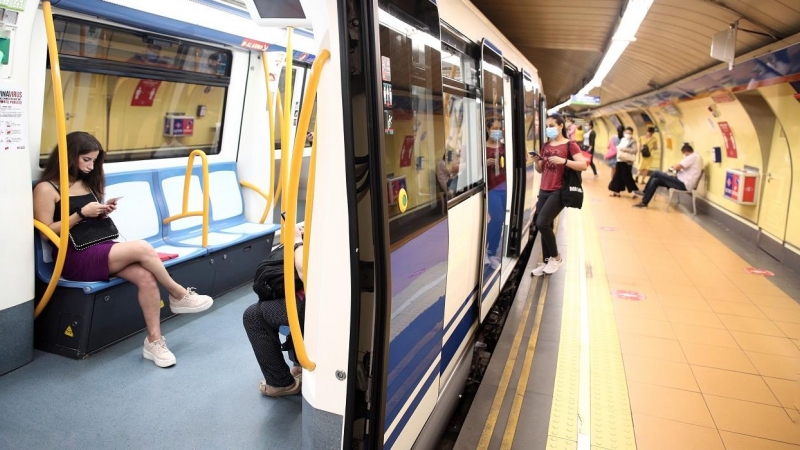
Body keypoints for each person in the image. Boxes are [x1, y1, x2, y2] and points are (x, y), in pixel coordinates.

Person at [32, 131, 213, 368]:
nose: (91, 165)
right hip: (74, 257)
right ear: (70, 156)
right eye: (86, 159)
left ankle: (154, 341)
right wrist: (80, 214)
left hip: (100, 248)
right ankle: (178, 293)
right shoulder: (47, 188)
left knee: (146, 277)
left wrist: (102, 210)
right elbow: (45, 230)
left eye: (94, 160)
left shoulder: (86, 183)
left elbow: (89, 218)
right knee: (142, 247)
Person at [242, 225, 306, 397]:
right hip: (311, 299)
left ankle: (280, 384)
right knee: (280, 299)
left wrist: (297, 242)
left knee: (254, 316)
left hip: (314, 304)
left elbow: (305, 272)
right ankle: (300, 364)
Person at [530, 114, 588, 276]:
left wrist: (564, 161)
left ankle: (556, 257)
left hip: (559, 190)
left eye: (551, 125)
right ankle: (547, 261)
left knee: (542, 223)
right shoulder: (546, 145)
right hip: (544, 189)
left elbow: (583, 165)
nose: (548, 128)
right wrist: (537, 161)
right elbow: (541, 169)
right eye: (547, 126)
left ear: (561, 126)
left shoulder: (571, 145)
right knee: (544, 225)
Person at [634, 143, 703, 208]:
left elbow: (676, 167)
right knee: (655, 180)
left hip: (683, 184)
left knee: (656, 172)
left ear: (686, 152)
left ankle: (644, 192)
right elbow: (682, 167)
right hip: (681, 181)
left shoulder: (692, 157)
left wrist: (675, 166)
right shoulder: (697, 157)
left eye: (684, 154)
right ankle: (644, 202)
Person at [485, 118, 507, 269]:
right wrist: (484, 164)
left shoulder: (505, 147)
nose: (498, 131)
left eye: (500, 128)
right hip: (491, 189)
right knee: (496, 218)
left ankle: (492, 252)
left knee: (499, 221)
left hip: (506, 189)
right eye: (495, 128)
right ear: (488, 129)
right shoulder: (481, 148)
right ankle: (487, 249)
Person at [608, 126, 639, 198]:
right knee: (617, 176)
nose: (628, 134)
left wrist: (626, 149)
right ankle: (616, 192)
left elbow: (635, 150)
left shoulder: (633, 141)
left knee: (627, 177)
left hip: (627, 162)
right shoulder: (622, 139)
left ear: (632, 134)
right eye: (627, 132)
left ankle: (635, 192)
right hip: (620, 160)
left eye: (629, 133)